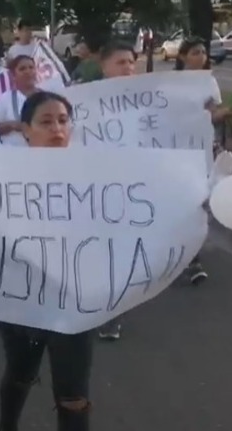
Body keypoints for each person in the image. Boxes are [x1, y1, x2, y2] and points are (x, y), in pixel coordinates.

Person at [0, 91, 92, 431]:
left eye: (64, 121)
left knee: (73, 396)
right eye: (46, 122)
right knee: (20, 374)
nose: (57, 129)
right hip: (19, 299)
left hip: (73, 301)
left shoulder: (97, 176)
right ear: (25, 129)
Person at [174, 36, 232, 285]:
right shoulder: (170, 84)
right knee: (181, 203)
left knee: (198, 202)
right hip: (175, 150)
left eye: (203, 52)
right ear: (182, 57)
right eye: (195, 52)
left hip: (201, 150)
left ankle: (191, 256)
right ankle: (184, 257)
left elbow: (212, 113)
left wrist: (227, 113)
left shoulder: (208, 82)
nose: (201, 56)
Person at [94, 42, 138, 342]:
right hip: (94, 189)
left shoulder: (148, 98)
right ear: (104, 67)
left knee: (119, 254)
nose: (129, 67)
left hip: (132, 189)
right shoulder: (84, 100)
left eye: (131, 62)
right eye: (121, 62)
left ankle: (113, 315)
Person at [0, 55, 41, 146]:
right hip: (14, 155)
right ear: (13, 75)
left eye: (31, 67)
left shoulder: (47, 97)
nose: (28, 72)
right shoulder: (6, 98)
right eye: (22, 69)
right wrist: (13, 125)